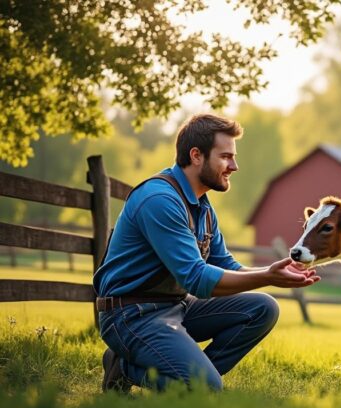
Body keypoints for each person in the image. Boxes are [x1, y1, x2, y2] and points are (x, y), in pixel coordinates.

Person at [94, 114, 319, 393]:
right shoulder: (159, 200)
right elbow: (197, 280)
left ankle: (192, 376)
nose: (234, 166)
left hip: (175, 307)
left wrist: (271, 273)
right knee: (205, 389)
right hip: (131, 315)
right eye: (226, 156)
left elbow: (228, 267)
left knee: (263, 307)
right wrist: (266, 277)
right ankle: (126, 368)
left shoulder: (202, 207)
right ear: (196, 155)